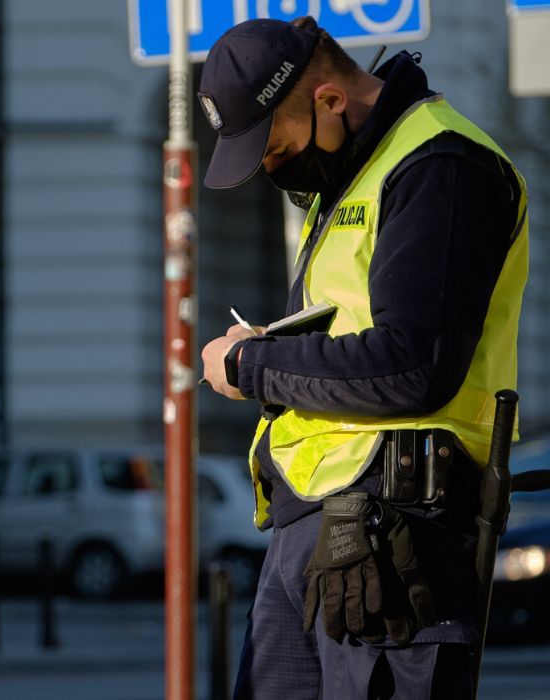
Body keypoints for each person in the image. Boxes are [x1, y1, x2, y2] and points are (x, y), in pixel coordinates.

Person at [196, 17, 527, 700]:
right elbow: (359, 339)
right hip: (319, 538)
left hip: (398, 548)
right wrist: (276, 352)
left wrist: (254, 365)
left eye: (275, 147)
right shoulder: (352, 174)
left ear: (329, 100)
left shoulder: (441, 165)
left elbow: (413, 364)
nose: (270, 166)